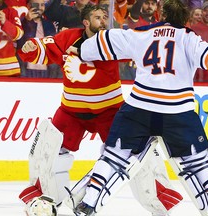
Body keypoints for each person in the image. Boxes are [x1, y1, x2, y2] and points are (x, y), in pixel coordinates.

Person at [69, 0, 208, 215]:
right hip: (177, 112)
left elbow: (109, 40)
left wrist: (83, 49)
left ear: (160, 13)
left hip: (140, 108)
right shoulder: (189, 39)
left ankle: (89, 201)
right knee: (197, 163)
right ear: (184, 17)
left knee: (114, 156)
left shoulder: (141, 33)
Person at [17, 4, 181, 216]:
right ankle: (45, 201)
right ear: (86, 22)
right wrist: (31, 46)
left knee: (137, 152)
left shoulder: (113, 40)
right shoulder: (68, 38)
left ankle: (159, 201)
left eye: (105, 17)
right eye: (98, 17)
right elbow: (43, 47)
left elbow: (142, 45)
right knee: (48, 148)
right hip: (72, 112)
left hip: (110, 112)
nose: (103, 21)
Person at [17, 0, 60, 78]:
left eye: (42, 5)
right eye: (36, 5)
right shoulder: (20, 22)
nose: (39, 8)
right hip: (26, 68)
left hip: (46, 69)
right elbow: (21, 40)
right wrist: (28, 21)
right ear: (29, 5)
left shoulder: (49, 24)